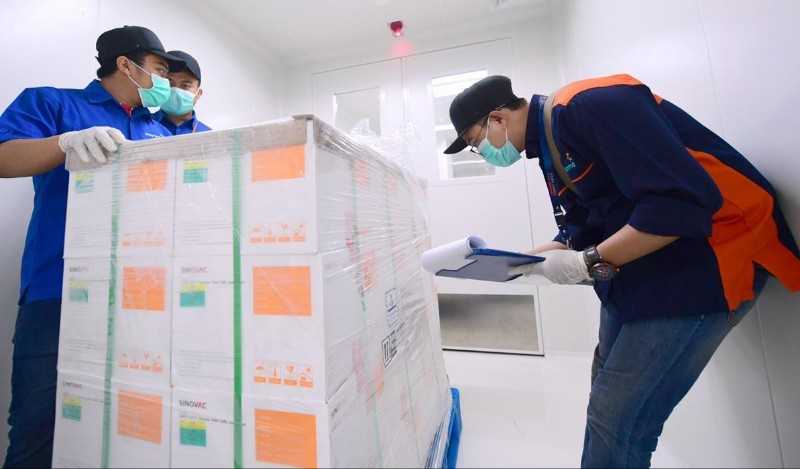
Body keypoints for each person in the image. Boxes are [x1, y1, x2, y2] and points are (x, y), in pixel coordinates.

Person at [443, 74, 800, 468]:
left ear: (497, 119)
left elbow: (681, 205)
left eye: (476, 142)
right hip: (645, 269)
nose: (483, 153)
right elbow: (581, 228)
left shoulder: (589, 106)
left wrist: (584, 262)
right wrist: (520, 262)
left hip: (709, 259)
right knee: (607, 395)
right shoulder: (549, 145)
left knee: (615, 421)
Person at [0, 25, 183, 468]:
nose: (164, 82)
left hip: (142, 300)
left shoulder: (159, 130)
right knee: (37, 429)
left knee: (124, 428)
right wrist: (63, 144)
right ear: (126, 64)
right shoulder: (54, 103)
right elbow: (4, 157)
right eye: (160, 69)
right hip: (59, 293)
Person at [156, 50, 211, 135]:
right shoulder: (141, 126)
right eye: (169, 83)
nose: (175, 90)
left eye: (185, 86)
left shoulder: (209, 135)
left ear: (198, 94)